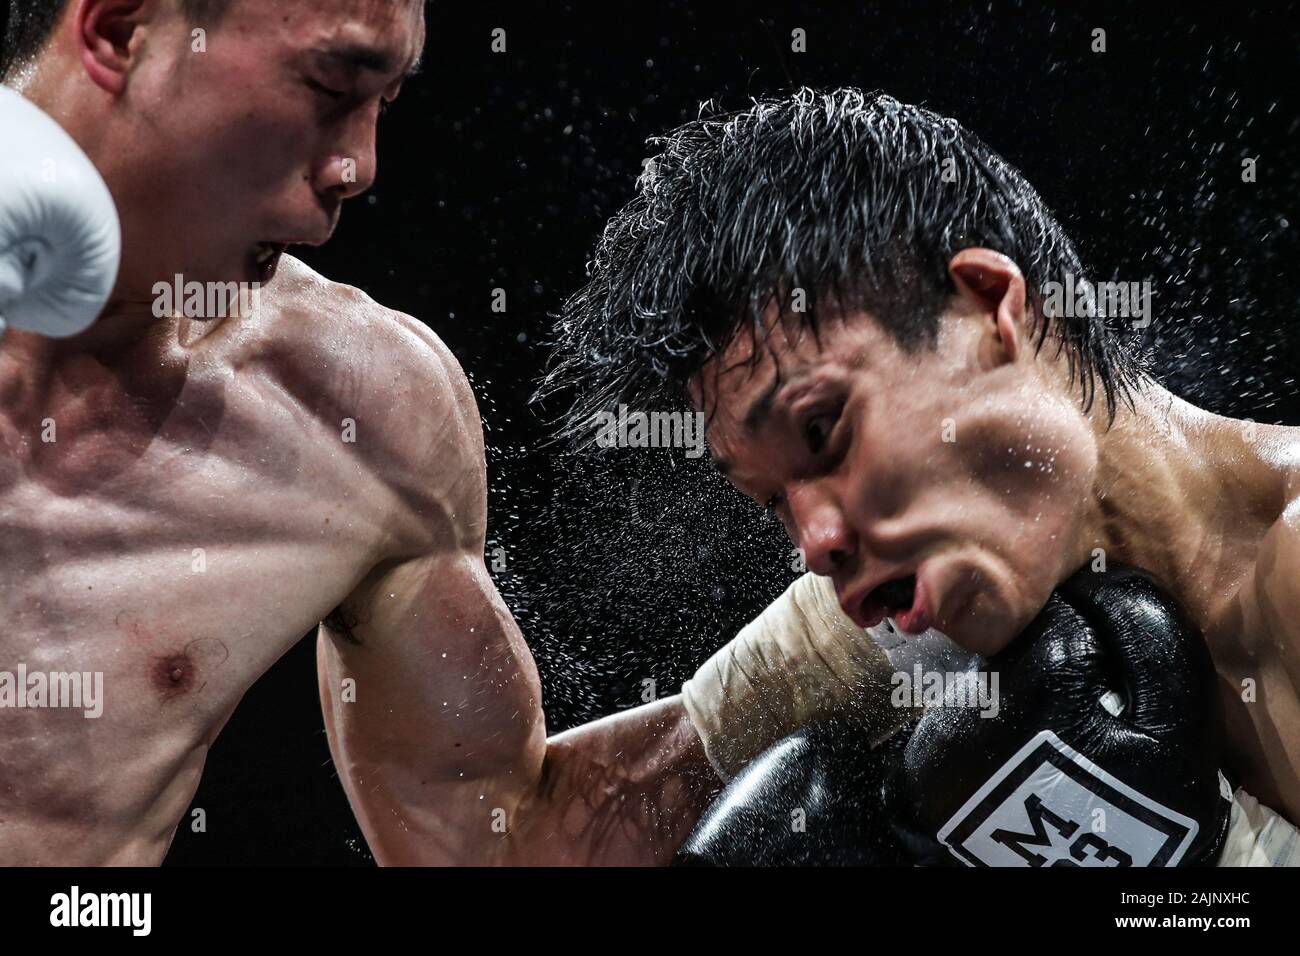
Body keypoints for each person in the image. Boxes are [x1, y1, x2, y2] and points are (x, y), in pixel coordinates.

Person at [0, 0, 903, 865]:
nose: (360, 166)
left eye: (386, 102)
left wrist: (845, 643)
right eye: (331, 85)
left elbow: (500, 846)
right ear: (120, 30)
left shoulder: (360, 411)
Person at [547, 88, 1300, 864]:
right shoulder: (918, 602)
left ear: (987, 308)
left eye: (823, 430)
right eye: (774, 501)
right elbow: (542, 824)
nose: (815, 542)